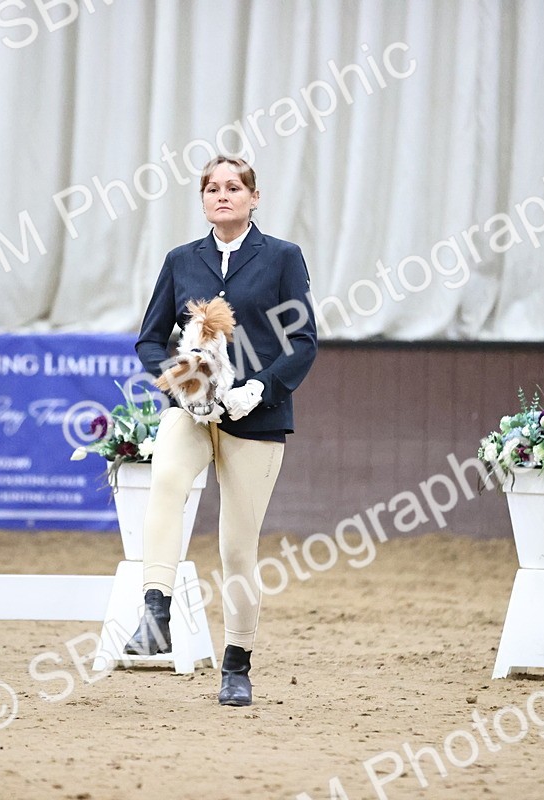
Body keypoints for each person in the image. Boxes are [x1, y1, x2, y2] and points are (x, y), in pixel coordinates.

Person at [127, 155, 318, 706]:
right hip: (191, 410)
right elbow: (149, 338)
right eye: (212, 188)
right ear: (203, 199)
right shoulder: (181, 260)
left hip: (253, 416)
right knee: (165, 482)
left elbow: (302, 341)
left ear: (254, 197)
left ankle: (237, 662)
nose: (222, 195)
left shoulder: (282, 257)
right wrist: (183, 385)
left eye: (234, 187)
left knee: (237, 549)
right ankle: (156, 611)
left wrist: (257, 389)